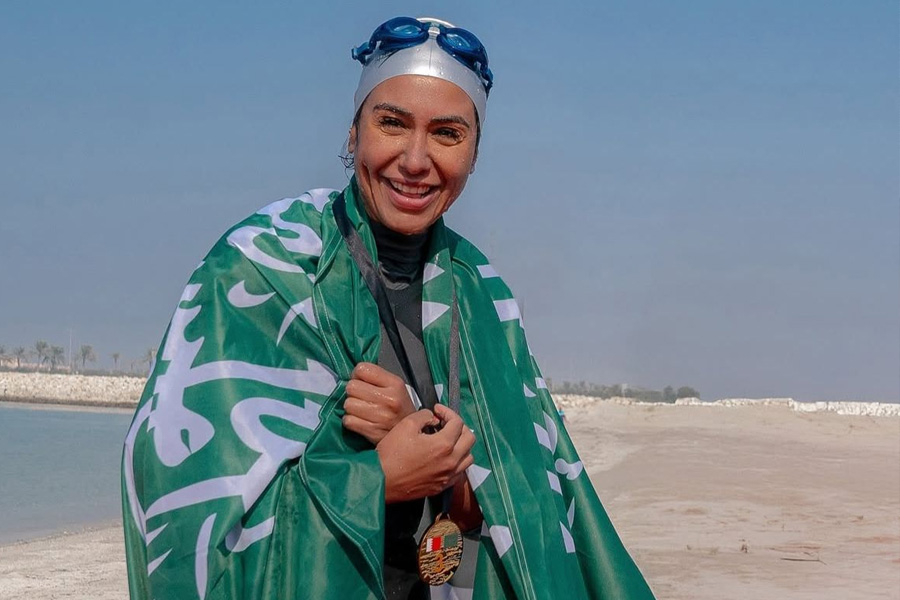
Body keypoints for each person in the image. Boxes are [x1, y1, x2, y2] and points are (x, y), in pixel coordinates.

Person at [122, 16, 655, 600]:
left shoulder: (482, 293)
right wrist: (376, 477)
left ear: (474, 154)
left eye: (447, 133)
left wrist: (443, 467)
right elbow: (186, 529)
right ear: (354, 132)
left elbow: (521, 513)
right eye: (392, 123)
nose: (416, 160)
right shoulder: (259, 268)